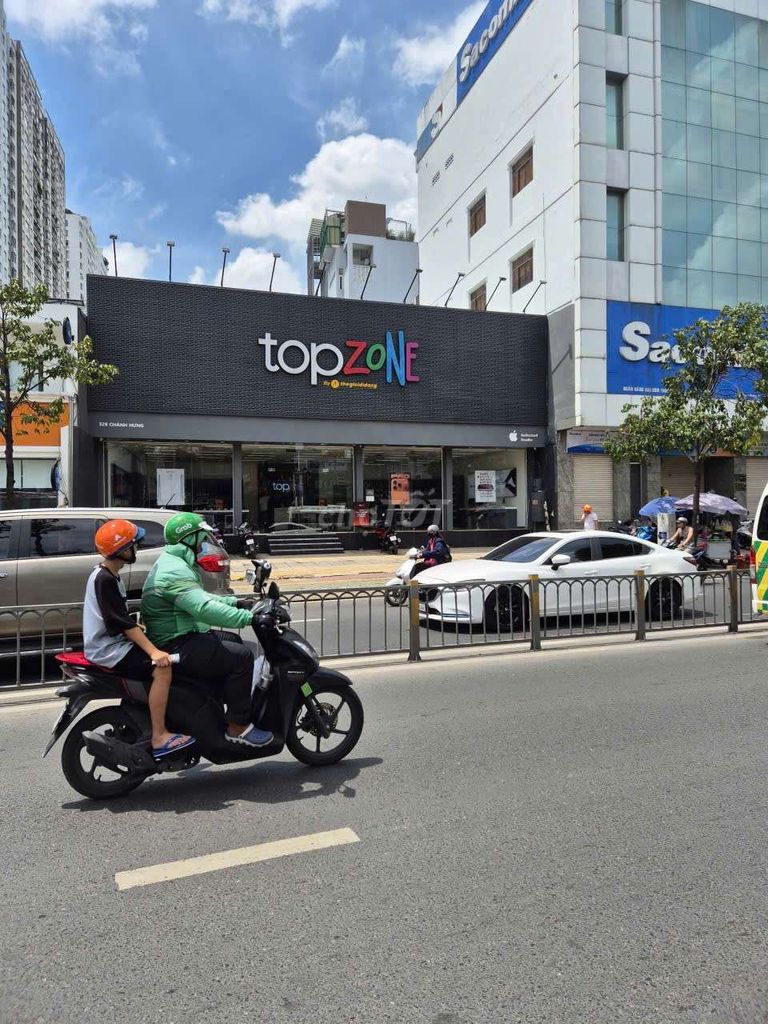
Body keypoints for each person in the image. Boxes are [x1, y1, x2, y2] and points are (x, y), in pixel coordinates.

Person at [141, 512, 273, 748]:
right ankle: (237, 726)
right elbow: (203, 609)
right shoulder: (174, 570)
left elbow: (200, 597)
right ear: (188, 539)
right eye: (201, 539)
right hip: (175, 641)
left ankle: (218, 707)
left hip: (180, 634)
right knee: (242, 657)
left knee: (234, 641)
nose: (204, 544)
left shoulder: (175, 562)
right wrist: (247, 617)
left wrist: (237, 602)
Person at [85, 520, 195, 760]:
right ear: (123, 550)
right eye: (134, 545)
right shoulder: (105, 579)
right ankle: (160, 736)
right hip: (109, 649)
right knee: (162, 669)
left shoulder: (107, 574)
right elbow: (122, 623)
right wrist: (154, 652)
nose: (137, 548)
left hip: (110, 645)